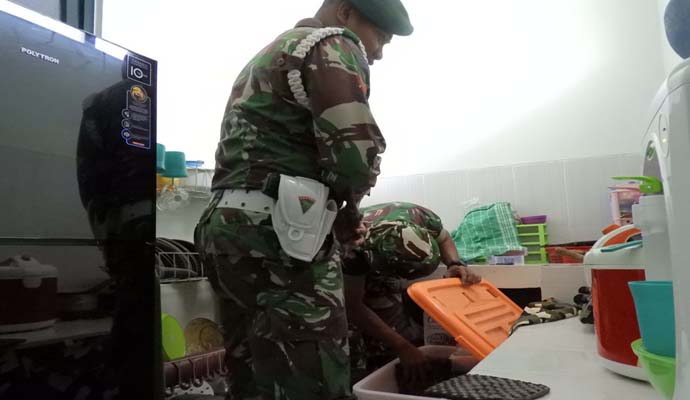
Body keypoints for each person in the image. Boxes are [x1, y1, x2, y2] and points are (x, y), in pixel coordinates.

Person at [194, 1, 413, 399]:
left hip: (227, 231)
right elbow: (354, 153)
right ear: (345, 13)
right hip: (282, 237)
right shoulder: (333, 43)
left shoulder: (272, 53)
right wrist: (349, 209)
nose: (379, 52)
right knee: (315, 380)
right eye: (380, 37)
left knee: (252, 378)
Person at [342, 202, 481, 384]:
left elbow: (445, 238)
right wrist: (402, 347)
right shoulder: (353, 249)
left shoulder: (421, 216)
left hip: (379, 256)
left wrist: (454, 264)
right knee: (359, 341)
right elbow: (353, 306)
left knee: (397, 333)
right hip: (350, 272)